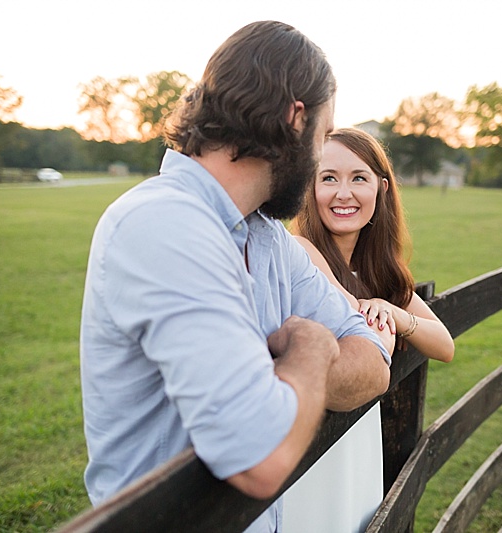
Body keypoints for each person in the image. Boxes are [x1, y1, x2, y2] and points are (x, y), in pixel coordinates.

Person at [79, 22, 394, 533]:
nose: (320, 156)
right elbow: (260, 457)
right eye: (322, 135)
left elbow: (374, 360)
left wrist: (282, 381)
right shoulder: (163, 224)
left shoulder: (269, 237)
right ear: (296, 119)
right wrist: (313, 349)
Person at [283, 127, 454, 532]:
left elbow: (444, 345)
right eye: (328, 178)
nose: (343, 193)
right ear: (309, 187)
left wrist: (398, 314)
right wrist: (381, 313)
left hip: (358, 436)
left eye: (358, 178)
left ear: (381, 188)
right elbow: (356, 316)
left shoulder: (378, 271)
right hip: (309, 444)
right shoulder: (300, 250)